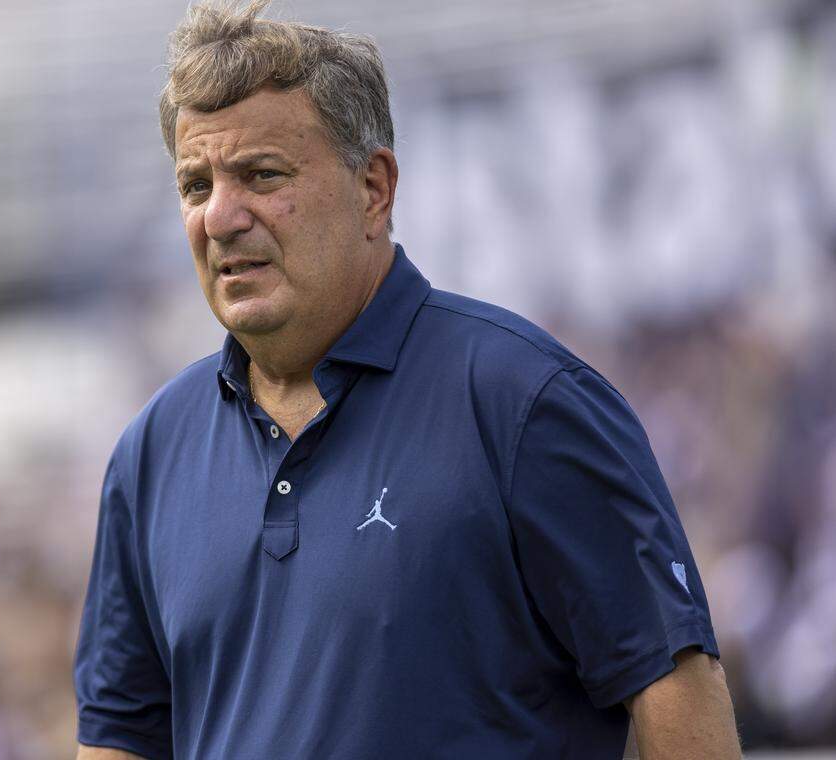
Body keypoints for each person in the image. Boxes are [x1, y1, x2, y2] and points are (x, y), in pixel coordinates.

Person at [73, 1, 742, 757]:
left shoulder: (526, 403)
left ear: (374, 188)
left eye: (261, 174)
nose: (221, 217)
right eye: (196, 186)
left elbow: (679, 700)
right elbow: (119, 738)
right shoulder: (151, 454)